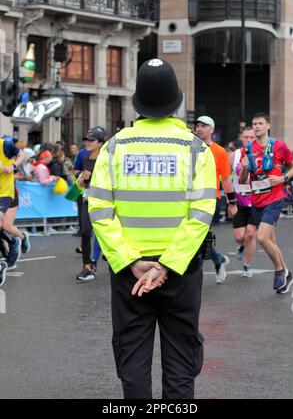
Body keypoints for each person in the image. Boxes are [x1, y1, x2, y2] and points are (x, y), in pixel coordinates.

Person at [89, 58, 217, 399]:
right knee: (180, 359)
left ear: (138, 102)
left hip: (129, 271)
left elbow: (99, 209)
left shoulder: (114, 147)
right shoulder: (196, 149)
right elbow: (202, 212)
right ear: (176, 103)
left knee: (132, 358)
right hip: (181, 270)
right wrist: (168, 264)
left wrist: (131, 261)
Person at [240, 113, 293, 294]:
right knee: (271, 241)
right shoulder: (248, 149)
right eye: (254, 124)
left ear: (268, 126)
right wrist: (243, 167)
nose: (257, 126)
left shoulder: (279, 146)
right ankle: (288, 274)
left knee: (262, 238)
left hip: (274, 199)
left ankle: (280, 271)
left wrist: (282, 178)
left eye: (260, 123)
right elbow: (243, 180)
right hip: (256, 199)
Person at [195, 116, 237, 284]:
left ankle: (195, 277)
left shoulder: (219, 151)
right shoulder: (190, 148)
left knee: (200, 238)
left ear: (211, 130)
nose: (199, 129)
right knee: (197, 238)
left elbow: (226, 180)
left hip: (210, 200)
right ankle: (219, 260)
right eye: (197, 125)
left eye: (203, 126)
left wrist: (232, 203)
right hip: (189, 200)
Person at [76, 127, 106, 282]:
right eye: (87, 140)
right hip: (88, 199)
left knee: (104, 233)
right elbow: (82, 182)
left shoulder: (107, 158)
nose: (88, 143)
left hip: (105, 200)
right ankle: (87, 267)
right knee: (86, 232)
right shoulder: (84, 158)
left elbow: (110, 180)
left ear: (100, 143)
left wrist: (92, 176)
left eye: (91, 140)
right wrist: (80, 180)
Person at [0, 136, 27, 285]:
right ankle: (6, 254)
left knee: (5, 226)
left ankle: (18, 239)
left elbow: (23, 155)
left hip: (5, 192)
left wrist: (13, 167)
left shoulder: (5, 145)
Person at [231, 127, 257, 277]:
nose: (248, 140)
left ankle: (246, 266)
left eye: (251, 137)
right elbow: (226, 178)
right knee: (240, 237)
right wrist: (230, 202)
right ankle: (241, 246)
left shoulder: (261, 155)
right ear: (241, 138)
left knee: (251, 235)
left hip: (256, 201)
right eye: (246, 137)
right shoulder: (234, 156)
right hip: (239, 201)